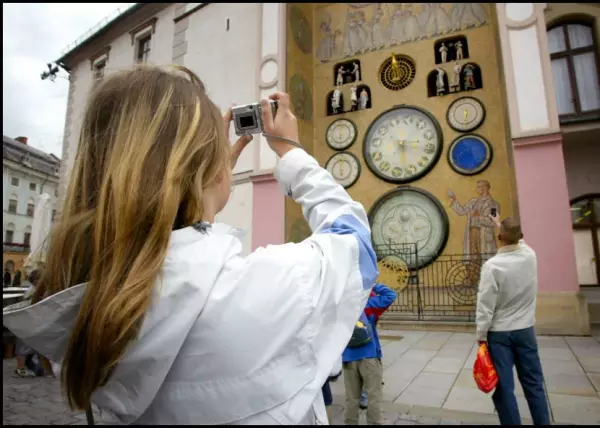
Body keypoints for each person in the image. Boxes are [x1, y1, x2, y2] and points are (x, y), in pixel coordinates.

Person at [3, 65, 378, 425]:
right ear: (209, 169)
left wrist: (205, 193)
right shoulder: (269, 287)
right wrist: (292, 153)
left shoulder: (91, 312)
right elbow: (356, 242)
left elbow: (177, 257)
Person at [476, 215, 550, 426]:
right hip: (525, 329)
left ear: (499, 238)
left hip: (499, 334)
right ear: (521, 237)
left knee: (504, 388)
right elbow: (520, 242)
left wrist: (481, 335)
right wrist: (505, 228)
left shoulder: (492, 266)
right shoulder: (530, 256)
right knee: (534, 383)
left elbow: (485, 305)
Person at [342, 283, 397, 424]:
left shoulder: (340, 306)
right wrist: (372, 285)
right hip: (369, 356)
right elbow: (391, 295)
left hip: (348, 357)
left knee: (351, 399)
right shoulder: (367, 304)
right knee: (374, 398)